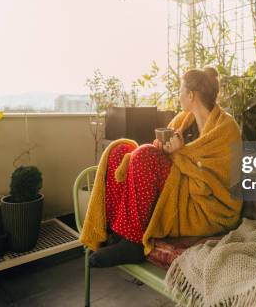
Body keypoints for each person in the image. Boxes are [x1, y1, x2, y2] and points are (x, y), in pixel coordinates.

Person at [81, 66, 242, 267]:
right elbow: (165, 155)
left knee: (144, 154)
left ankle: (133, 243)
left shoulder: (226, 128)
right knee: (120, 152)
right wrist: (163, 149)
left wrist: (178, 152)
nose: (178, 95)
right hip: (179, 182)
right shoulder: (184, 119)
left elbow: (215, 182)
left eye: (180, 91)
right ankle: (114, 232)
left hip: (206, 204)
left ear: (191, 95)